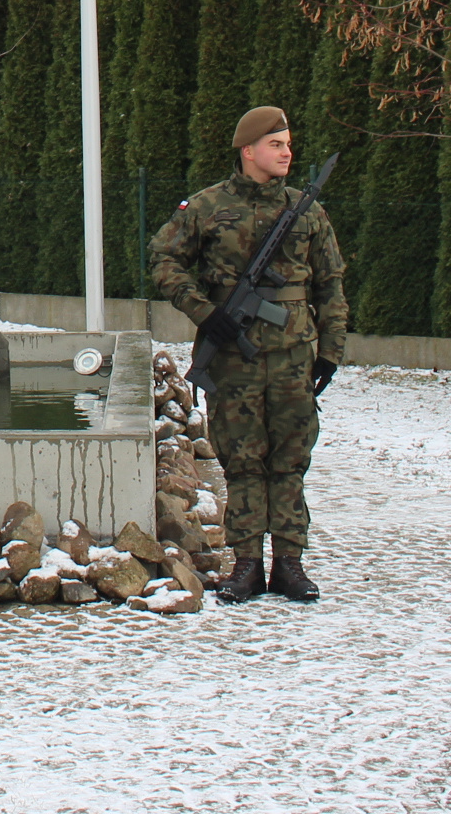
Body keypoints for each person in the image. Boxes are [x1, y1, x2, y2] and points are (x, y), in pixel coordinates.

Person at [148, 105, 347, 604]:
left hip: (294, 357)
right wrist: (203, 311)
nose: (286, 152)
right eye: (276, 144)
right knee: (241, 460)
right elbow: (164, 259)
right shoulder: (207, 207)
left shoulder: (308, 212)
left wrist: (331, 353)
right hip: (235, 358)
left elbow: (331, 287)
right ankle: (246, 565)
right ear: (249, 150)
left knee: (290, 460)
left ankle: (290, 564)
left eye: (287, 144)